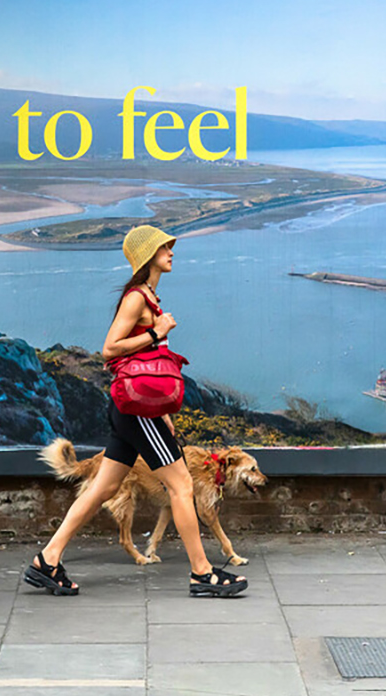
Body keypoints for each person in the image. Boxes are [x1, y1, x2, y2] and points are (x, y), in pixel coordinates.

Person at [24, 224, 248, 599]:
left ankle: (46, 559)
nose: (171, 252)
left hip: (135, 410)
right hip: (136, 413)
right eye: (164, 247)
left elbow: (147, 369)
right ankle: (202, 573)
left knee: (104, 487)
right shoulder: (136, 299)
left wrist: (164, 414)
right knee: (182, 486)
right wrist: (157, 332)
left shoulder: (149, 297)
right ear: (148, 255)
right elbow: (110, 348)